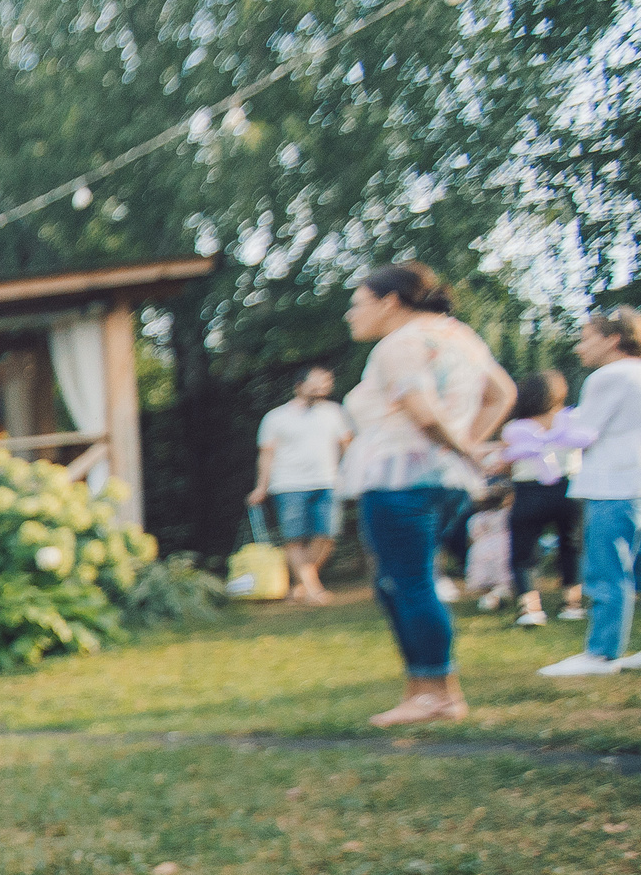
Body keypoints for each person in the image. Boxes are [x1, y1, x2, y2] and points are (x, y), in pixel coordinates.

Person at [336, 261, 514, 726]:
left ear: (389, 302)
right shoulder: (458, 336)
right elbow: (502, 393)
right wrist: (467, 446)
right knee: (397, 581)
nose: (350, 315)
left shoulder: (399, 343)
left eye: (357, 304)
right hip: (445, 481)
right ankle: (424, 689)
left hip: (400, 479)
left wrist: (465, 449)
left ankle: (438, 693)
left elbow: (424, 413)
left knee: (408, 582)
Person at [537, 307, 641, 676]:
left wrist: (550, 432)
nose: (579, 348)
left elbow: (583, 434)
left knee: (607, 569)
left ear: (612, 339)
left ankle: (601, 653)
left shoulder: (607, 376)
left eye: (585, 338)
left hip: (615, 484)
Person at [246, 365, 353, 604]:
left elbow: (347, 447)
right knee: (294, 539)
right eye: (315, 382)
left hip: (328, 482)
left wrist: (354, 475)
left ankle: (301, 585)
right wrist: (261, 487)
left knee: (328, 536)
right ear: (298, 386)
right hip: (287, 485)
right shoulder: (275, 417)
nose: (321, 387)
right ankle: (313, 589)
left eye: (325, 382)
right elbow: (266, 455)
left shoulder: (335, 413)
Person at [496, 371, 589, 628]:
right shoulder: (573, 420)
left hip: (529, 492)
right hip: (570, 490)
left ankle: (530, 608)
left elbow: (505, 463)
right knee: (571, 546)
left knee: (523, 552)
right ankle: (572, 604)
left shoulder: (514, 429)